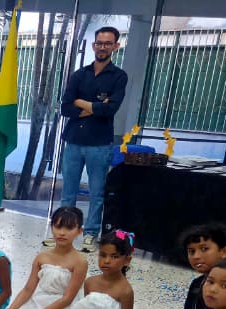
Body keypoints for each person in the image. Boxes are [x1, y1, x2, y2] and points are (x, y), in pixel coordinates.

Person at [58, 26, 128, 249]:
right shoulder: (80, 75)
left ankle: (90, 233)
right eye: (99, 43)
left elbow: (111, 109)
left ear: (115, 46)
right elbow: (65, 107)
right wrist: (95, 106)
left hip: (100, 144)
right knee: (68, 192)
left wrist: (82, 102)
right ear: (93, 45)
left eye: (107, 43)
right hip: (74, 140)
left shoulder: (119, 76)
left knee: (97, 192)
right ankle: (64, 230)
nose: (102, 47)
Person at [0, 207, 87, 309]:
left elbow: (67, 299)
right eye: (58, 226)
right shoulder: (42, 257)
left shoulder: (80, 262)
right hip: (38, 302)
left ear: (79, 231)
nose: (62, 233)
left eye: (69, 228)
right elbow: (28, 289)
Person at [73, 230, 135, 309]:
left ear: (127, 260)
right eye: (102, 255)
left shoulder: (125, 291)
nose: (106, 261)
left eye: (114, 256)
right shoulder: (90, 282)